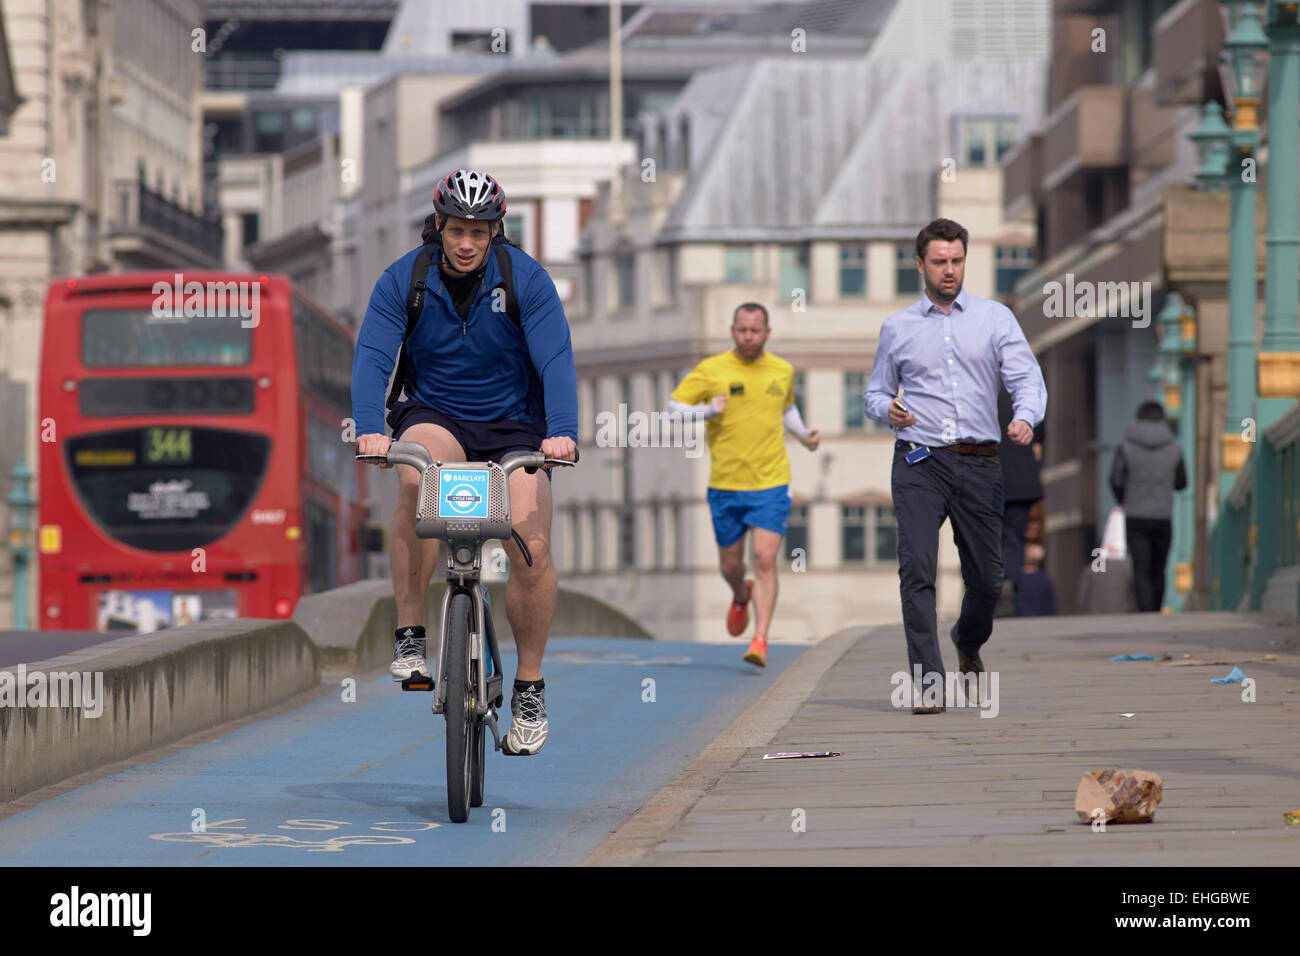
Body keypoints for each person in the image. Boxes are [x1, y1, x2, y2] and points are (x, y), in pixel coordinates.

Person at [351, 169, 578, 755]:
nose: (467, 242)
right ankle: (409, 634)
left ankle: (529, 685)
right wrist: (373, 430)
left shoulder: (526, 279)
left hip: (514, 425)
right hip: (437, 413)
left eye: (479, 231)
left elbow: (555, 361)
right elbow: (374, 356)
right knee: (416, 477)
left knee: (533, 546)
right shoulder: (404, 279)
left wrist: (562, 434)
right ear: (439, 227)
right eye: (456, 230)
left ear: (495, 229)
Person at [865, 218, 1047, 713]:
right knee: (918, 570)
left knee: (989, 578)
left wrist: (1026, 417)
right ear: (920, 264)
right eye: (940, 262)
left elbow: (1026, 377)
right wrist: (888, 410)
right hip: (919, 461)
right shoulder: (898, 328)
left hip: (980, 462)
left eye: (957, 260)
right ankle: (927, 683)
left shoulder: (994, 319)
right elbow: (875, 392)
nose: (950, 270)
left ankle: (967, 640)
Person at [667, 302, 819, 667]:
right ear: (733, 331)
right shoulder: (712, 369)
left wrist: (803, 434)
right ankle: (740, 594)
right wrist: (708, 411)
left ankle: (761, 639)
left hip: (771, 481)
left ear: (767, 333)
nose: (748, 336)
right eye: (742, 330)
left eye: (755, 331)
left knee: (766, 559)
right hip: (726, 484)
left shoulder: (782, 370)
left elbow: (786, 409)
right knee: (731, 565)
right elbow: (673, 408)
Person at [1109, 401, 1187, 612]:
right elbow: (1182, 482)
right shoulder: (1174, 448)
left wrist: (1124, 500)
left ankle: (1145, 611)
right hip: (1163, 515)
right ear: (1162, 419)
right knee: (1159, 568)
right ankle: (1157, 608)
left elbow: (1116, 479)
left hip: (1135, 515)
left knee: (1140, 568)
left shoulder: (1125, 447)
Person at [995, 386, 1045, 616]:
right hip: (1022, 481)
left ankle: (993, 585)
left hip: (990, 477)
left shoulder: (981, 392)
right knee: (1014, 538)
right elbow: (1038, 447)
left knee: (990, 536)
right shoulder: (1024, 396)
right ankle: (1009, 583)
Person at [1013, 542, 1057, 616]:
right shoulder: (1045, 579)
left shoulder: (1017, 578)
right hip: (1042, 619)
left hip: (1020, 619)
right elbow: (1051, 604)